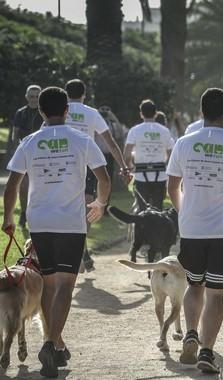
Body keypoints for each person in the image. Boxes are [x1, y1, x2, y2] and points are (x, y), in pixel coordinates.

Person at [3, 87, 111, 377]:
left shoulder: (29, 141)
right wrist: (100, 204)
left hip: (39, 222)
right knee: (65, 286)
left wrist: (9, 217)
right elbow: (104, 178)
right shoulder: (81, 139)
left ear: (40, 112)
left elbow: (12, 185)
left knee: (49, 286)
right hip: (71, 224)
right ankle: (51, 343)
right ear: (67, 111)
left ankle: (58, 345)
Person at [167, 88, 223, 373]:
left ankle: (190, 332)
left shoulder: (183, 142)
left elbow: (172, 186)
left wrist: (185, 212)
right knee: (216, 294)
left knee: (195, 285)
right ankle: (206, 351)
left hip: (193, 229)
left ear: (201, 111)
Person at [64, 79, 130, 272]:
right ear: (84, 94)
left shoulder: (60, 109)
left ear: (66, 93)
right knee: (88, 209)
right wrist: (124, 166)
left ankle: (79, 249)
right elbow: (110, 141)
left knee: (67, 208)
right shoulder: (91, 113)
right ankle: (81, 246)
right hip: (87, 166)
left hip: (64, 164)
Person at [123, 100, 175, 211]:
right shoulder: (164, 131)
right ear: (156, 113)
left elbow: (127, 154)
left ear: (141, 114)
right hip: (160, 175)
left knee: (142, 209)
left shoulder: (135, 131)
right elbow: (171, 154)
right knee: (158, 208)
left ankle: (142, 227)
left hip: (141, 175)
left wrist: (130, 168)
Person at [11, 84, 43, 227]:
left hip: (43, 156)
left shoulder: (45, 112)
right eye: (31, 96)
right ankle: (24, 213)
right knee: (23, 187)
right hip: (25, 154)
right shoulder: (21, 113)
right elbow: (14, 136)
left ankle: (39, 213)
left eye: (37, 96)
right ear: (26, 97)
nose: (34, 99)